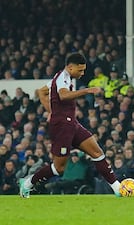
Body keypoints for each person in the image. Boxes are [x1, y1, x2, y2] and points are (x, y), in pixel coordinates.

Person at [19, 52, 120, 198]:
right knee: (59, 168)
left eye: (84, 70)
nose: (82, 73)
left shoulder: (60, 78)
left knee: (97, 153)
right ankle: (27, 184)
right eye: (80, 70)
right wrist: (87, 91)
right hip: (61, 126)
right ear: (70, 67)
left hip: (71, 123)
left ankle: (118, 189)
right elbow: (63, 95)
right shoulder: (63, 77)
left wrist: (52, 111)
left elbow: (41, 92)